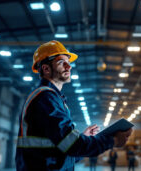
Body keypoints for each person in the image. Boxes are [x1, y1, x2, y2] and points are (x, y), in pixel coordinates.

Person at [15, 40, 132, 171]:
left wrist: (84, 137)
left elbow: (66, 151)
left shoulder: (53, 98)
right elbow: (72, 146)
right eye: (61, 63)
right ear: (46, 69)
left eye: (69, 63)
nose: (69, 67)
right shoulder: (45, 98)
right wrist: (112, 141)